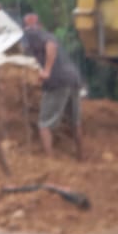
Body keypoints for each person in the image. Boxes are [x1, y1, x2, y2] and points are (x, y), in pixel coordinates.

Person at [21, 13, 84, 160]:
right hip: (73, 78)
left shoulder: (32, 34)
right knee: (75, 122)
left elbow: (51, 46)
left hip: (57, 81)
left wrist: (47, 71)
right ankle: (81, 157)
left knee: (44, 125)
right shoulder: (45, 34)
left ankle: (50, 161)